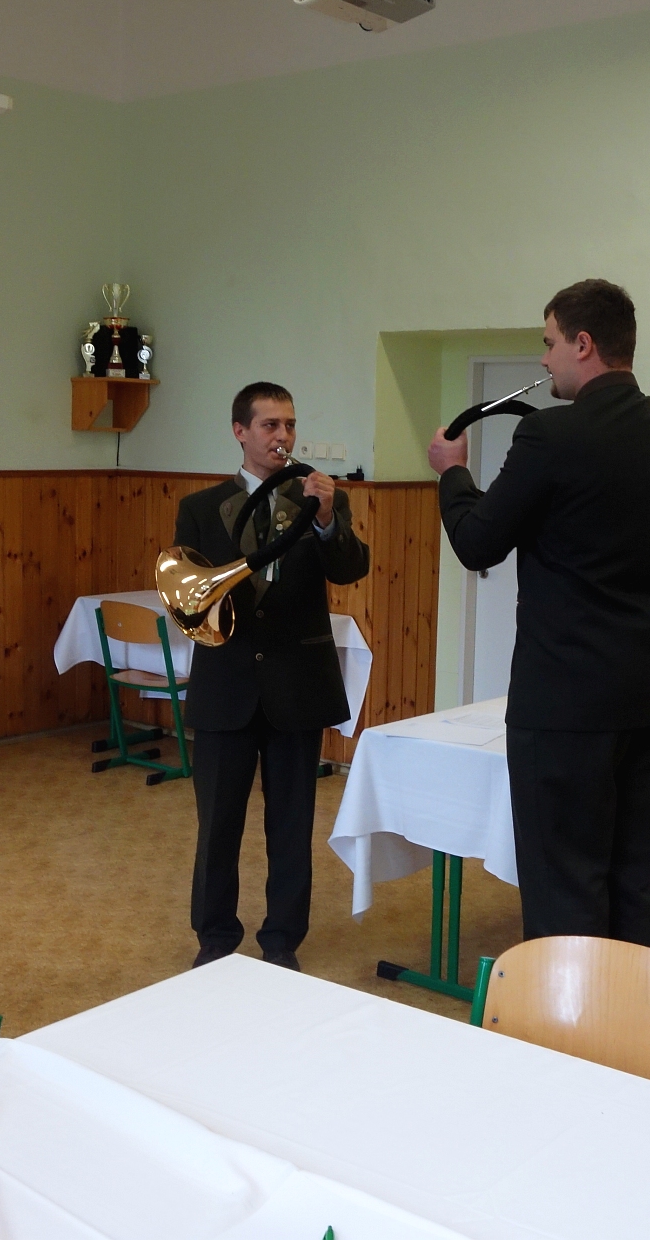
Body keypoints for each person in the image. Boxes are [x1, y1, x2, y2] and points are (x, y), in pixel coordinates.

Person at [426, 279, 650, 948]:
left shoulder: (549, 435)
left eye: (550, 342)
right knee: (635, 869)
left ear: (584, 344)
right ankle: (635, 1010)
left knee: (566, 878)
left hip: (565, 700)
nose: (544, 358)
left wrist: (453, 473)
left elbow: (477, 543)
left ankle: (572, 1016)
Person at [173, 382, 370, 972]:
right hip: (226, 685)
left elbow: (350, 568)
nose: (282, 435)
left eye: (289, 424)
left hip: (296, 685)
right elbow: (187, 591)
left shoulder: (319, 498)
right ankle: (215, 936)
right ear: (240, 432)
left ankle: (282, 938)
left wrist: (327, 519)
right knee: (218, 824)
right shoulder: (201, 507)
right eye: (269, 425)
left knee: (291, 823)